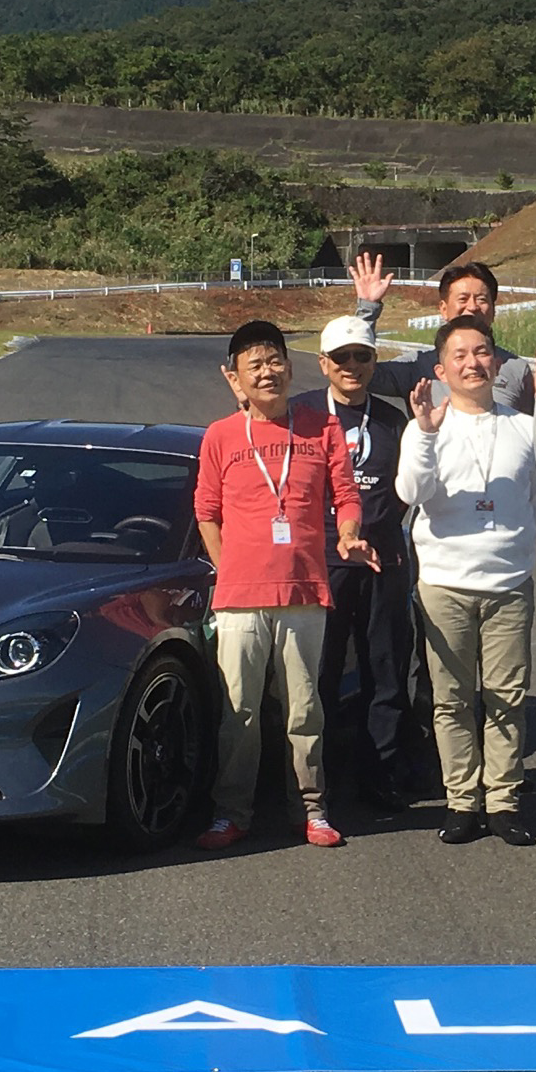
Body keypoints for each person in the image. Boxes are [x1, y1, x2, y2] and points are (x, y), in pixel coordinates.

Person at [190, 320, 369, 851]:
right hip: (240, 599)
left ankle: (311, 809)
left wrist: (350, 534)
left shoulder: (321, 429)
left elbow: (346, 495)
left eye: (274, 362)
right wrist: (227, 567)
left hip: (304, 592)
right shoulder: (221, 435)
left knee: (304, 710)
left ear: (290, 368)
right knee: (239, 712)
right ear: (234, 378)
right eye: (255, 366)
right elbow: (206, 511)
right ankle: (231, 812)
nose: (267, 373)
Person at [397, 318, 536, 846]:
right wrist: (426, 433)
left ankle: (503, 800)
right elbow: (412, 493)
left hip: (508, 583)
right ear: (442, 370)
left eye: (481, 352)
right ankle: (462, 799)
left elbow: (534, 499)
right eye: (459, 355)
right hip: (445, 583)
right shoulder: (425, 427)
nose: (472, 363)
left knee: (507, 695)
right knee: (451, 698)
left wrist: (515, 549)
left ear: (496, 362)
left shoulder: (523, 427)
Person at [292, 315, 425, 812]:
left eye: (362, 356)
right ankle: (317, 778)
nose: (352, 365)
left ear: (374, 362)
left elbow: (409, 489)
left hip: (382, 561)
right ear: (324, 363)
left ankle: (381, 772)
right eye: (341, 357)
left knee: (384, 670)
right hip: (320, 561)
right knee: (320, 673)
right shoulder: (301, 413)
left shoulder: (393, 421)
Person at [348, 253, 536, 419]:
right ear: (443, 308)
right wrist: (368, 307)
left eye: (481, 299)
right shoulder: (416, 366)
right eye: (463, 299)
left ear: (494, 309)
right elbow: (359, 374)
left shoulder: (516, 369)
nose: (472, 307)